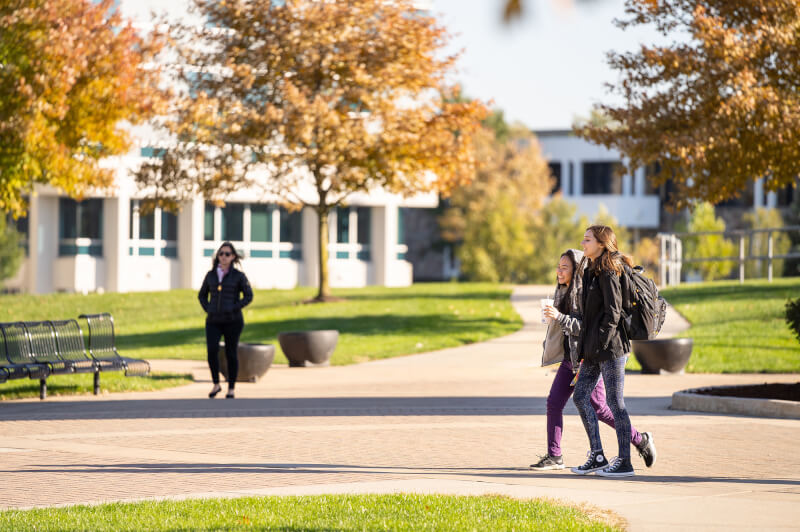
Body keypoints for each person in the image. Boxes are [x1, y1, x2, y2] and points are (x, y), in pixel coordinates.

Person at [531, 249, 656, 471]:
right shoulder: (562, 291)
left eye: (564, 267)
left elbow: (583, 328)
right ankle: (555, 455)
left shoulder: (583, 293)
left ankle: (640, 439)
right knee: (554, 402)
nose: (559, 271)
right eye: (558, 267)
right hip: (571, 358)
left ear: (576, 269)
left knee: (600, 409)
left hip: (589, 359)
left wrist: (559, 317)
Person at [570, 225, 654, 477]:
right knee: (580, 396)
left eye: (587, 240)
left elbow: (613, 313)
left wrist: (601, 343)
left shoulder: (609, 271)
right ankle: (597, 455)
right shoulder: (590, 271)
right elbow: (589, 316)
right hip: (594, 349)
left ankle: (625, 462)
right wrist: (586, 349)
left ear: (601, 244)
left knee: (615, 403)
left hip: (612, 348)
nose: (583, 244)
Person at [198, 241, 253, 399]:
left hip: (233, 320)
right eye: (221, 254)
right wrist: (209, 308)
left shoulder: (238, 276)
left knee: (231, 353)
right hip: (214, 320)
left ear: (233, 257)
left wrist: (234, 307)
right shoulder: (211, 275)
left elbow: (249, 296)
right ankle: (216, 384)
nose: (223, 256)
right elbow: (202, 295)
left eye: (227, 254)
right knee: (212, 351)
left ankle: (231, 388)